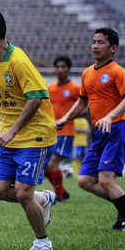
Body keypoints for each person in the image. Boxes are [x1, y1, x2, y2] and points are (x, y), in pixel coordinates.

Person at [0, 8, 57, 250]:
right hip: (9, 135)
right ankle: (43, 199)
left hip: (34, 135)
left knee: (22, 193)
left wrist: (12, 130)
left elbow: (37, 98)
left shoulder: (19, 61)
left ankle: (43, 241)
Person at [55, 27, 125, 231]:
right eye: (94, 42)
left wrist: (110, 116)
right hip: (99, 133)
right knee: (84, 180)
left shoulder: (117, 72)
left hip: (117, 129)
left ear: (113, 48)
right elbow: (82, 103)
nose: (95, 46)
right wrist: (65, 118)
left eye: (101, 42)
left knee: (105, 179)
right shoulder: (87, 73)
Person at [45, 56, 80, 201]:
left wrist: (67, 119)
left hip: (66, 132)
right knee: (46, 165)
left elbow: (83, 107)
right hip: (50, 131)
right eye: (58, 66)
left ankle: (59, 195)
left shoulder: (75, 88)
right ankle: (63, 192)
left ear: (69, 69)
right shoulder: (50, 88)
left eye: (63, 66)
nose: (60, 69)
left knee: (53, 163)